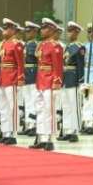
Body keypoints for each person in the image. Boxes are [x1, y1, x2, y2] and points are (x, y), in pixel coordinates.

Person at [33, 19, 64, 149]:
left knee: (49, 110)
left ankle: (50, 139)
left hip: (50, 80)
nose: (42, 30)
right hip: (41, 80)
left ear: (51, 30)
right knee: (40, 109)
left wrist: (57, 80)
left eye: (45, 28)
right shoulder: (41, 45)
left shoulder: (55, 46)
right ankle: (42, 137)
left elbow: (58, 66)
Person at [0, 19, 26, 145]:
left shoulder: (16, 44)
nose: (4, 31)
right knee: (3, 107)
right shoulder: (3, 43)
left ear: (13, 30)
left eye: (7, 28)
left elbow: (20, 63)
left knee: (12, 107)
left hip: (12, 77)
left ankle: (13, 134)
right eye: (4, 28)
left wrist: (20, 78)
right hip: (3, 77)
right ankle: (5, 132)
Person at [61, 22, 86, 142]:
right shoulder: (67, 46)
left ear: (77, 33)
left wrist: (81, 81)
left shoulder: (80, 47)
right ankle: (67, 130)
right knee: (66, 106)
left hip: (74, 78)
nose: (69, 33)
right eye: (68, 31)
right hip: (66, 78)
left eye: (71, 31)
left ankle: (75, 131)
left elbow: (81, 66)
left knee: (74, 105)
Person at [22, 20, 41, 127]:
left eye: (29, 31)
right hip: (26, 74)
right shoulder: (25, 44)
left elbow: (39, 61)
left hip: (33, 74)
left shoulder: (36, 45)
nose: (27, 33)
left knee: (34, 100)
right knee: (27, 100)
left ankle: (33, 124)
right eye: (26, 31)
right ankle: (28, 124)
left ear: (34, 32)